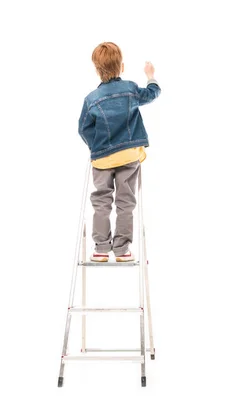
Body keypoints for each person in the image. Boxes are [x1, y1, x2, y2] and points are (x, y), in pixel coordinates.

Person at [78, 42, 161, 262]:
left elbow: (83, 128)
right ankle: (122, 249)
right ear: (122, 67)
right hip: (129, 155)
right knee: (126, 201)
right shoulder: (131, 89)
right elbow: (153, 94)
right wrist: (150, 76)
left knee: (101, 201)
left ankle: (101, 248)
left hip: (102, 158)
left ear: (97, 69)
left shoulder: (91, 99)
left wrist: (96, 146)